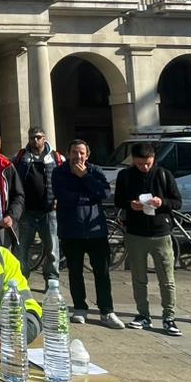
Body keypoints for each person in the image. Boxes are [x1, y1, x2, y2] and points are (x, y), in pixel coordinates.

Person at [113, 142, 182, 335]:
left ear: (154, 159)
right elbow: (118, 200)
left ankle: (169, 317)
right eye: (141, 163)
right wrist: (130, 204)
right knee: (138, 277)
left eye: (148, 163)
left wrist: (162, 202)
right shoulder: (125, 175)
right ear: (133, 160)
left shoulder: (163, 174)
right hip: (136, 233)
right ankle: (143, 314)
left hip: (161, 232)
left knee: (167, 278)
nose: (145, 167)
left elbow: (177, 201)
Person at [53, 139, 122, 329]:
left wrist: (84, 177)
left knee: (102, 273)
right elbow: (63, 197)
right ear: (68, 153)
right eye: (75, 152)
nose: (78, 156)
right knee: (75, 272)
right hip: (71, 230)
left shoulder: (95, 171)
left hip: (96, 231)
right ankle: (80, 307)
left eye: (82, 153)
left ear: (87, 155)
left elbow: (104, 193)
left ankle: (106, 310)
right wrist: (88, 198)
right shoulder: (59, 172)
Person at [14, 126, 63, 284]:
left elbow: (64, 181)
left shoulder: (56, 157)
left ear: (45, 138)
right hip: (26, 211)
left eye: (39, 137)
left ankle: (52, 279)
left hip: (49, 210)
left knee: (52, 248)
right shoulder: (20, 157)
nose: (35, 140)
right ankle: (22, 279)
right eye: (32, 137)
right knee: (21, 249)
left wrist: (59, 198)